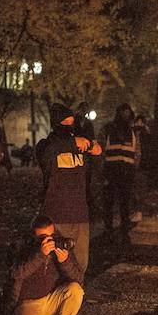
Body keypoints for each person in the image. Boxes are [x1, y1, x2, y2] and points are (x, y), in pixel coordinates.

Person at [38, 103, 100, 276]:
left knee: (80, 264)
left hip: (80, 215)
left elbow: (92, 171)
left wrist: (93, 149)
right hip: (56, 215)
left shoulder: (78, 147)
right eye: (65, 124)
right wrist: (73, 142)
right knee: (56, 266)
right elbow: (48, 152)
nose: (69, 128)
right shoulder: (46, 146)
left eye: (71, 123)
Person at [9, 216, 85, 315]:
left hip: (52, 298)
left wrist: (65, 261)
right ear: (34, 236)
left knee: (76, 290)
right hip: (29, 302)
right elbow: (16, 273)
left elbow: (78, 279)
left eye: (52, 235)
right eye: (43, 237)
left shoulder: (60, 244)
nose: (49, 240)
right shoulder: (22, 246)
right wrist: (40, 254)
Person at [101, 103, 141, 240]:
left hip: (126, 172)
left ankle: (124, 229)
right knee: (109, 203)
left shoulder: (133, 132)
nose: (125, 115)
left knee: (124, 203)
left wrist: (134, 169)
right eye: (123, 112)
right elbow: (100, 151)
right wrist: (102, 173)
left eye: (127, 112)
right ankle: (109, 229)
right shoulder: (108, 129)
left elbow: (137, 152)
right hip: (111, 171)